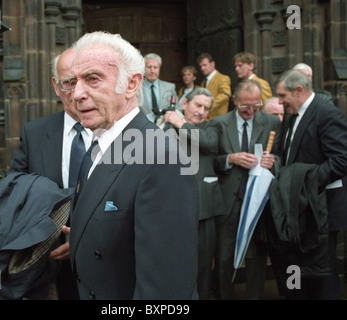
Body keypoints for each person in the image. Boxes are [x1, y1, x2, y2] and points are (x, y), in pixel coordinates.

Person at [67, 31, 199, 300]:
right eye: (72, 82)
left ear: (131, 85)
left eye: (92, 79)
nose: (76, 94)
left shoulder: (162, 158)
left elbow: (166, 291)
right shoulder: (97, 148)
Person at [8, 47, 93, 299]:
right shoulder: (34, 133)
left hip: (103, 265)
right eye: (69, 83)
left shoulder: (119, 136)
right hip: (50, 262)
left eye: (87, 80)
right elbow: (14, 192)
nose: (78, 92)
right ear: (57, 87)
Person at [274, 70, 347, 300]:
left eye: (282, 95)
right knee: (297, 269)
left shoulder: (327, 114)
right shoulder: (292, 114)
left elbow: (341, 160)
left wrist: (304, 184)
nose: (279, 101)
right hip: (297, 210)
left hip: (321, 209)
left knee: (322, 276)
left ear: (299, 90)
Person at [211, 79, 282, 300]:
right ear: (234, 101)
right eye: (245, 106)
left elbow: (283, 156)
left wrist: (274, 162)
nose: (251, 110)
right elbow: (211, 160)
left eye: (256, 105)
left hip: (258, 202)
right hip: (228, 202)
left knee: (256, 259)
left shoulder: (271, 122)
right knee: (223, 258)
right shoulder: (220, 122)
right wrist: (230, 159)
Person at [164, 88, 226, 300]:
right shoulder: (166, 127)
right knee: (174, 262)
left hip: (204, 211)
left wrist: (181, 124)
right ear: (184, 104)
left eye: (206, 108)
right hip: (173, 209)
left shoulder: (212, 126)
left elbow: (209, 143)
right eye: (198, 105)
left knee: (203, 264)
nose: (201, 111)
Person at [139, 53, 177, 123]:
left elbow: (176, 109)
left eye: (155, 67)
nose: (152, 71)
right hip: (142, 127)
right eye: (149, 67)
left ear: (159, 68)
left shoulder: (170, 87)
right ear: (143, 68)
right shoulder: (137, 88)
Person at [197, 53, 231, 121]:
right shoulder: (203, 82)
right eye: (200, 66)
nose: (202, 68)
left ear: (212, 64)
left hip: (218, 120)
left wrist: (207, 106)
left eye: (204, 65)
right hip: (204, 120)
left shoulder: (223, 78)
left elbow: (225, 95)